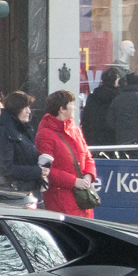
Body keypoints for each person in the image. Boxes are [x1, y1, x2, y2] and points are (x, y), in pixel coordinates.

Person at [36, 89, 97, 218]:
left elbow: (87, 156)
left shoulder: (75, 130)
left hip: (82, 200)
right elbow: (46, 169)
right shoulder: (45, 134)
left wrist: (89, 176)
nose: (75, 108)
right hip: (60, 201)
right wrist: (74, 181)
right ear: (62, 109)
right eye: (71, 104)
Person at [0, 91, 46, 194]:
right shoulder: (4, 132)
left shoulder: (24, 130)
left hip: (27, 189)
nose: (29, 111)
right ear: (16, 109)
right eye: (25, 108)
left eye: (29, 107)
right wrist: (37, 171)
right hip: (14, 192)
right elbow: (5, 168)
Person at [105, 72, 138, 158]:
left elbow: (110, 121)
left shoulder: (117, 99)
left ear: (126, 83)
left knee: (123, 165)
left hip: (121, 139)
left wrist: (119, 129)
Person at [81, 67, 121, 148]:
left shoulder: (93, 96)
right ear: (116, 81)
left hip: (94, 136)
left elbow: (85, 118)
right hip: (113, 137)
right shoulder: (118, 97)